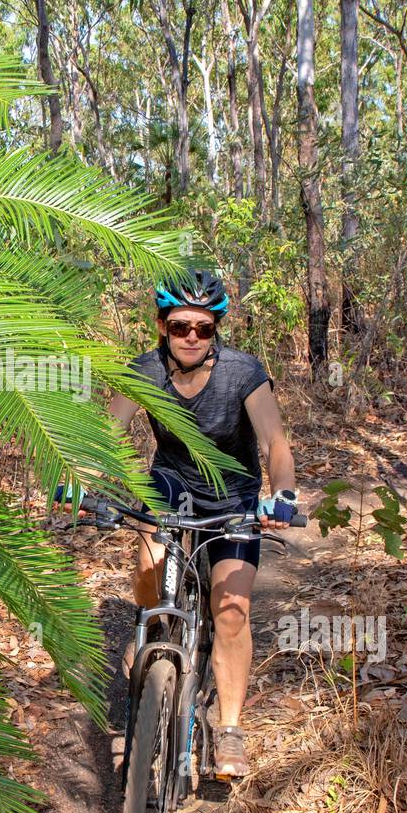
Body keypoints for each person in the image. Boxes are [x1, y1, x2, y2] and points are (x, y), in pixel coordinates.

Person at [106, 270, 299, 777]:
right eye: (179, 326)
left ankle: (229, 728)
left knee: (231, 609)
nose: (191, 337)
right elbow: (106, 434)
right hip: (169, 483)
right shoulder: (142, 372)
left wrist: (282, 494)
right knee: (149, 564)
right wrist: (80, 482)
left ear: (217, 330)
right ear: (161, 326)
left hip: (233, 494)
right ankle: (151, 634)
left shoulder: (243, 372)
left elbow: (275, 442)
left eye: (203, 328)